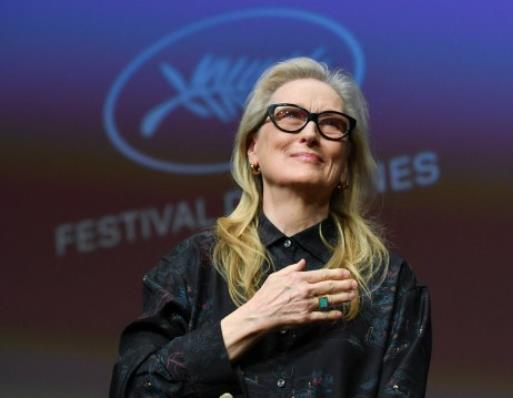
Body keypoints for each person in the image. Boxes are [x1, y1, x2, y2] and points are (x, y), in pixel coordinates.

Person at [109, 57, 431, 398]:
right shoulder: (194, 265)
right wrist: (255, 316)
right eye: (290, 116)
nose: (310, 133)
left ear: (346, 165)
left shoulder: (388, 283)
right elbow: (133, 390)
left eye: (332, 124)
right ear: (253, 149)